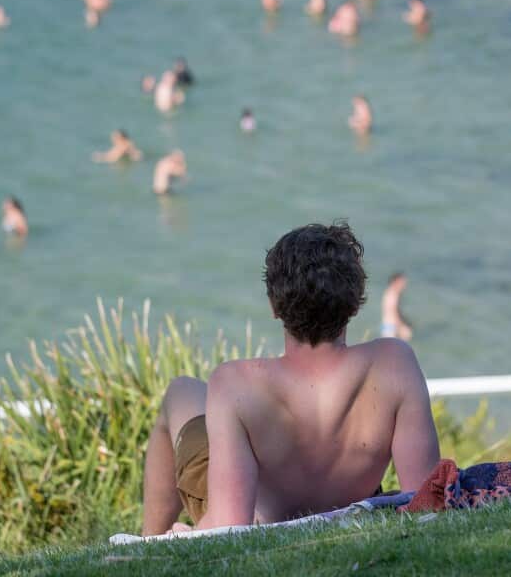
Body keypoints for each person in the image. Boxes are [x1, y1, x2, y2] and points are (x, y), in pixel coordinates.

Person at [139, 223, 439, 533]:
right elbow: (424, 498)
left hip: (261, 516)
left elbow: (228, 525)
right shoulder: (396, 363)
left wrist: (190, 536)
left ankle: (149, 540)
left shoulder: (233, 383)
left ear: (273, 305)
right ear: (355, 302)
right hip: (351, 504)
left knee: (181, 391)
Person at [380, 272, 413, 340]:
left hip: (389, 326)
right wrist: (401, 327)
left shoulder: (390, 292)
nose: (404, 285)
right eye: (402, 283)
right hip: (391, 326)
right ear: (396, 282)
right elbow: (393, 312)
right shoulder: (393, 294)